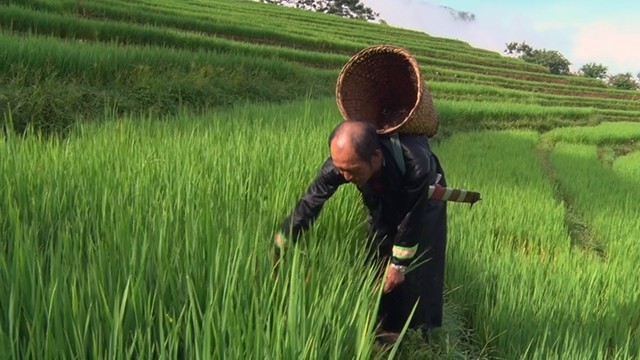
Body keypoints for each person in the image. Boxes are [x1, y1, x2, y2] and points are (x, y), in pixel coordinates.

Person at [273, 120, 448, 340]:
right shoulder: (343, 164)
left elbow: (411, 218)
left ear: (375, 157)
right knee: (378, 246)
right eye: (341, 170)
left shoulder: (416, 163)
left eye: (351, 171)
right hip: (380, 191)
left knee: (421, 257)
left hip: (424, 199)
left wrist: (399, 265)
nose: (345, 176)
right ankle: (383, 321)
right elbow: (310, 203)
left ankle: (419, 330)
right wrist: (281, 242)